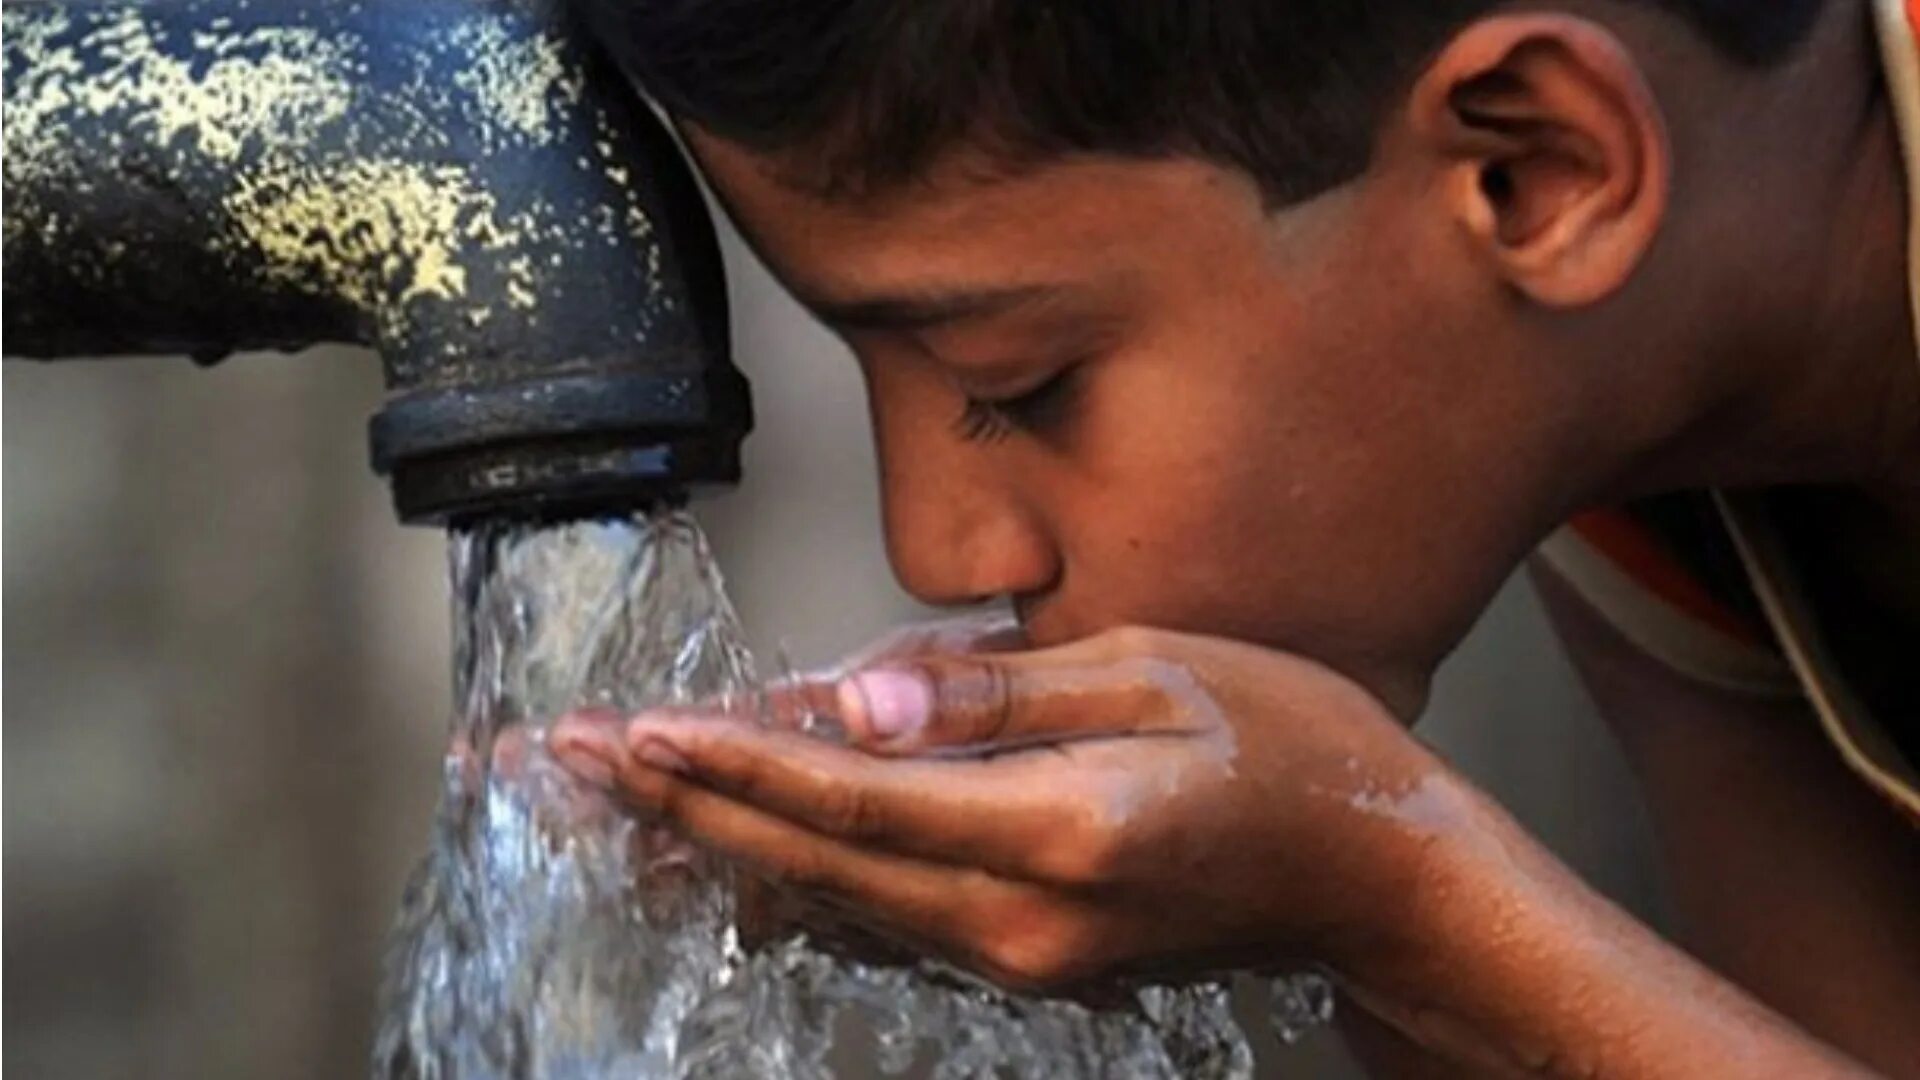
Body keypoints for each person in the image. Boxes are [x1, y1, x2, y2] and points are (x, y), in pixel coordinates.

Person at [549, 1, 1920, 1075]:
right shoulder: (1646, 461)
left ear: (1533, 167)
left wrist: (1405, 903)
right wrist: (1281, 905)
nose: (941, 550)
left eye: (1022, 384)